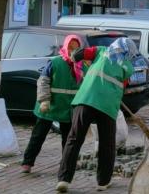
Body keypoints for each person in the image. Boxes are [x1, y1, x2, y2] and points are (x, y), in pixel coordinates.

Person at [56, 37, 136, 193]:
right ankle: (103, 182)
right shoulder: (128, 67)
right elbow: (124, 86)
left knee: (74, 139)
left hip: (87, 99)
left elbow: (79, 54)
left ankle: (64, 180)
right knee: (107, 144)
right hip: (107, 106)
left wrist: (75, 59)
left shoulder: (100, 51)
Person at [22, 35, 85, 173]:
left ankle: (67, 163)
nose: (73, 50)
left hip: (69, 108)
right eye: (70, 47)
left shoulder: (81, 66)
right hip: (49, 105)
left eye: (76, 48)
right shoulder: (55, 62)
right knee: (38, 135)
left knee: (68, 139)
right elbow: (43, 81)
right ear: (65, 47)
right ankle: (28, 162)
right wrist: (44, 100)